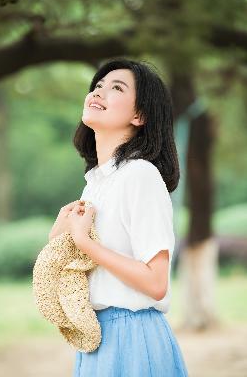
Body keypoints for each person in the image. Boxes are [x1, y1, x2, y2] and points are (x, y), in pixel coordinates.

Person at [50, 58, 189, 376]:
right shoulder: (95, 182)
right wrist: (60, 235)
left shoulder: (139, 175)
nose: (98, 92)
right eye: (97, 85)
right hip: (95, 338)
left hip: (133, 338)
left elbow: (156, 282)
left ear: (139, 115)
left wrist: (85, 242)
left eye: (116, 88)